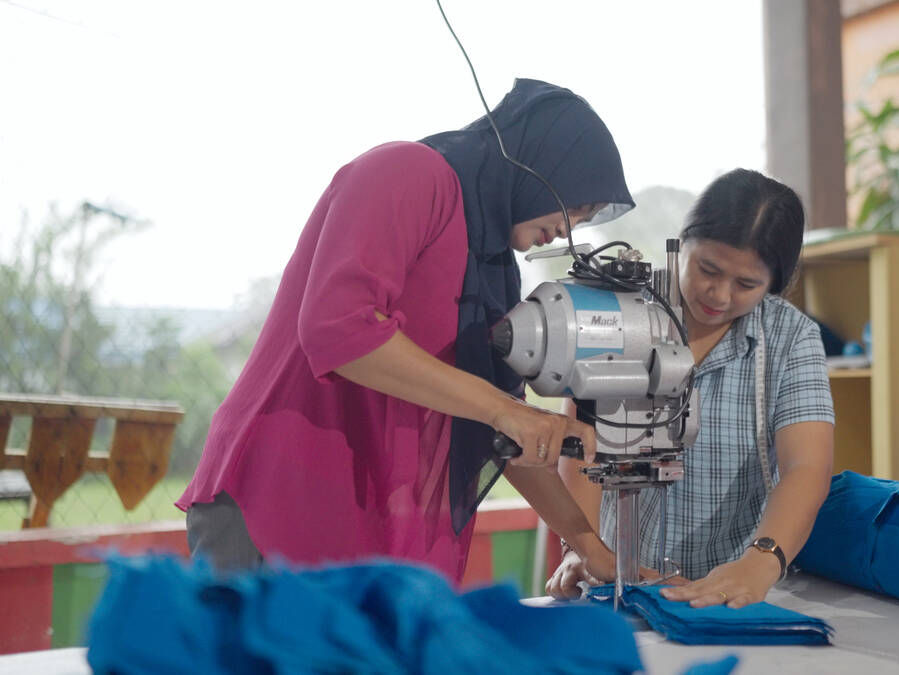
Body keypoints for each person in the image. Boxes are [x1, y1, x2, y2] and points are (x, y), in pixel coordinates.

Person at [177, 79, 634, 584]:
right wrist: (507, 411)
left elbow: (500, 429)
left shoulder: (492, 269)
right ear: (543, 162)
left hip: (367, 521)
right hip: (282, 496)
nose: (570, 229)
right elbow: (338, 329)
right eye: (575, 205)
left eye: (585, 220)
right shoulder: (409, 172)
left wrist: (588, 547)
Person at [546, 168, 836, 608]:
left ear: (774, 283)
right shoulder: (622, 314)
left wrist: (761, 563)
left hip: (735, 583)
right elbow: (582, 446)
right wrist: (581, 549)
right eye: (708, 269)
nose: (718, 295)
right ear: (681, 243)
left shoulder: (790, 338)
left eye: (746, 284)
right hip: (619, 576)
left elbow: (806, 466)